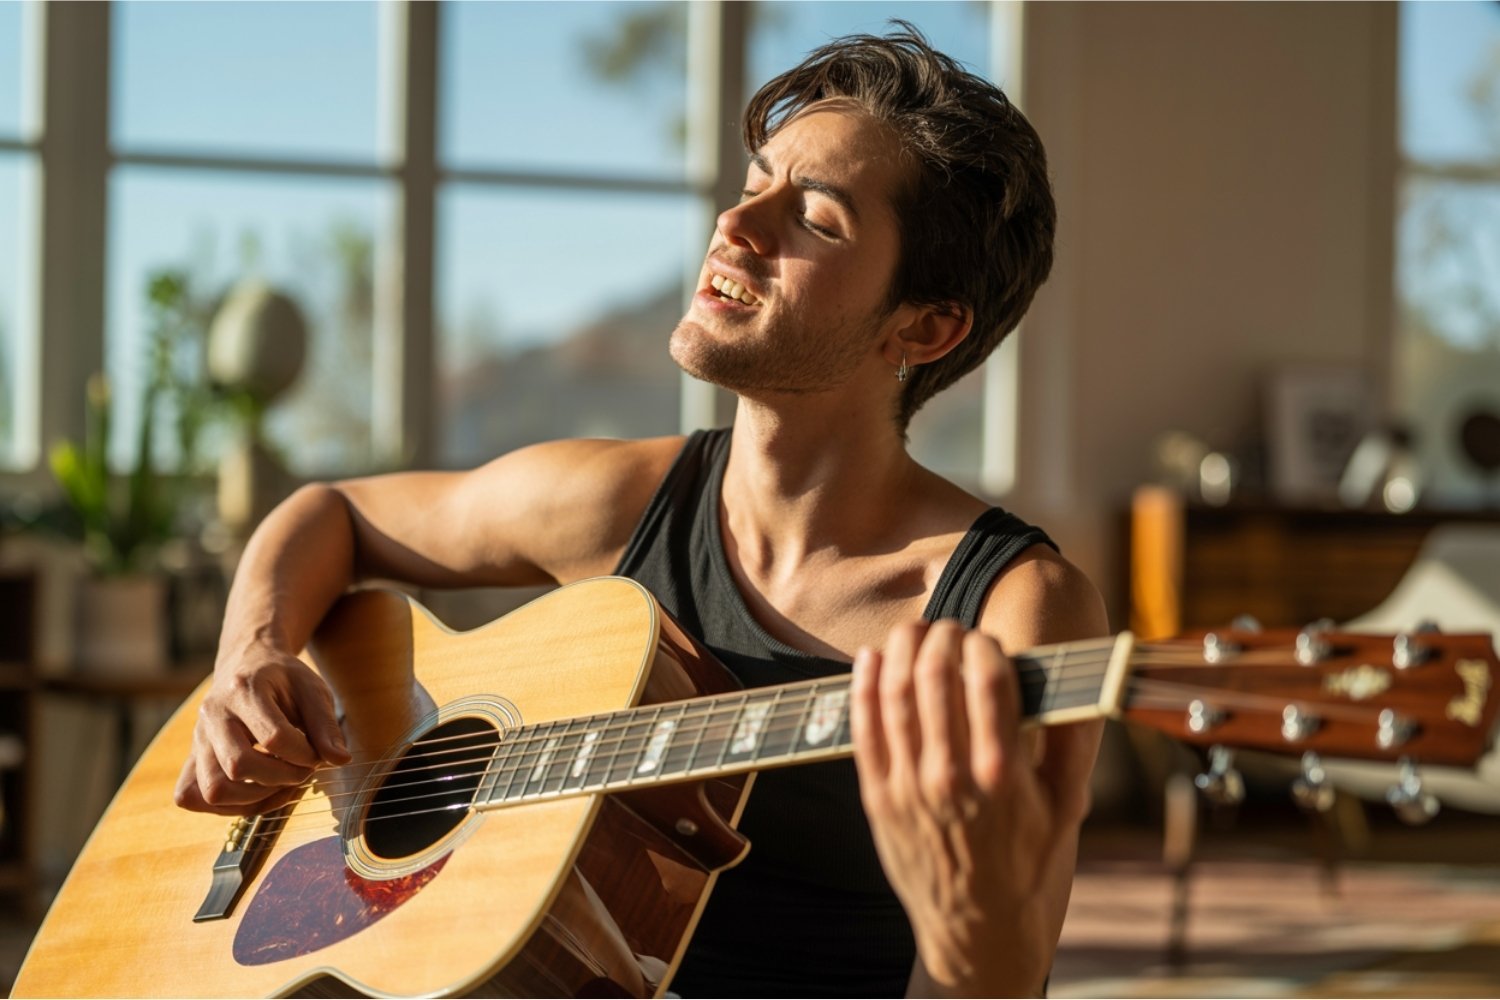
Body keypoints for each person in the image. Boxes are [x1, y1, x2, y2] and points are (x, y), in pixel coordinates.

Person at [174, 23, 1108, 999]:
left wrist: (973, 928)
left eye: (816, 219)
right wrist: (251, 654)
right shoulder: (620, 503)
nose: (738, 227)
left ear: (924, 325)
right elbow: (328, 513)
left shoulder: (1011, 614)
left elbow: (996, 977)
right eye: (755, 185)